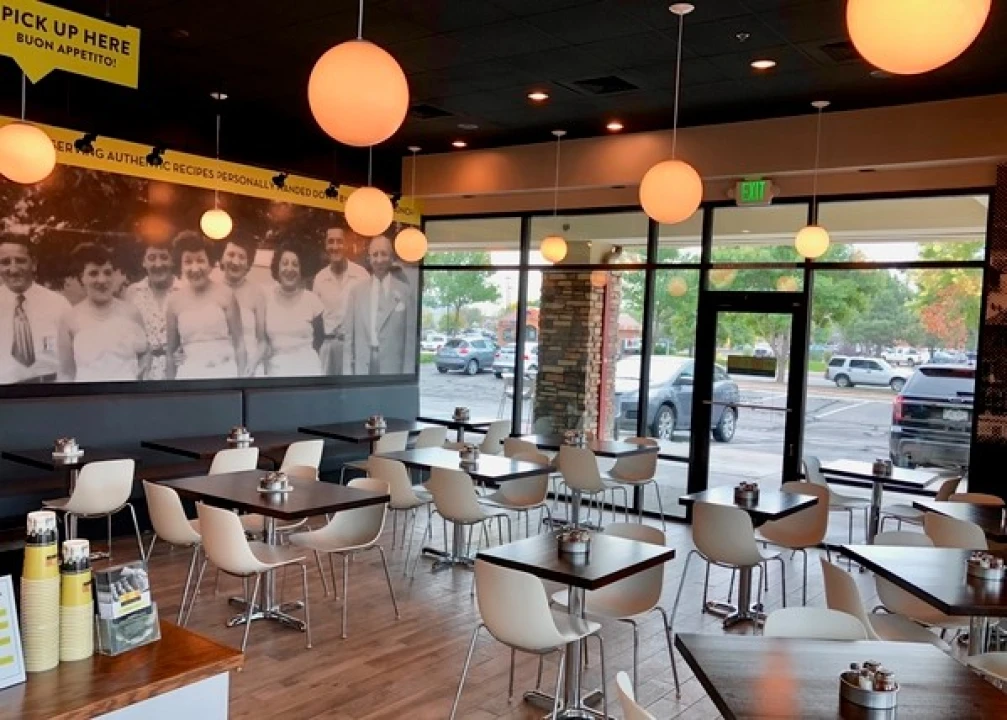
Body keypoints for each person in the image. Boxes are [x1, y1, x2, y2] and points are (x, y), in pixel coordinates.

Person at [57, 243, 149, 382]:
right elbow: (66, 373)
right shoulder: (69, 319)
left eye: (107, 272)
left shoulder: (131, 313)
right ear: (81, 278)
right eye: (93, 273)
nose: (102, 280)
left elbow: (145, 355)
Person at [165, 231, 247, 379]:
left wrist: (240, 381)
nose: (195, 268)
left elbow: (240, 344)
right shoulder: (174, 302)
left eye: (200, 260)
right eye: (188, 262)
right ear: (180, 266)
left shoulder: (226, 295)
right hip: (189, 375)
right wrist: (171, 388)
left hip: (224, 372)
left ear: (210, 264)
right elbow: (171, 353)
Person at [0, 237, 72, 383]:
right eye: (5, 262)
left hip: (49, 389)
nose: (13, 270)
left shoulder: (58, 304)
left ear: (33, 264)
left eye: (20, 261)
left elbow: (74, 358)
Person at [347, 234, 416, 375]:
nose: (379, 260)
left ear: (391, 258)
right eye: (375, 255)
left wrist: (407, 375)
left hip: (392, 368)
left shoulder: (405, 292)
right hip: (363, 367)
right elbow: (349, 339)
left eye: (384, 254)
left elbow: (410, 341)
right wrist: (348, 373)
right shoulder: (356, 292)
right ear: (369, 258)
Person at [312, 220, 367, 375]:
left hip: (354, 348)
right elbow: (314, 321)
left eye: (339, 241)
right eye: (331, 242)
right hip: (328, 347)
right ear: (325, 245)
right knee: (326, 388)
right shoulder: (320, 279)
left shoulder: (361, 275)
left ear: (346, 245)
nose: (335, 247)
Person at [124, 237, 182, 380]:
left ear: (172, 261)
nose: (158, 264)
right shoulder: (133, 293)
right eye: (151, 258)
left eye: (164, 257)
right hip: (144, 372)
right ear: (143, 262)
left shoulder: (184, 290)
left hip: (179, 370)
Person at [264, 244, 324, 377]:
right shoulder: (266, 299)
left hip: (308, 371)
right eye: (284, 263)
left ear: (301, 269)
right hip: (276, 372)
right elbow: (262, 340)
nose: (289, 269)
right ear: (277, 268)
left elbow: (319, 338)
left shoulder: (312, 301)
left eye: (295, 264)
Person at [218, 235, 266, 375]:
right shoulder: (212, 290)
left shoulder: (257, 293)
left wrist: (253, 364)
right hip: (219, 364)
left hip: (250, 366)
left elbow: (262, 342)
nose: (236, 261)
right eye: (231, 254)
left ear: (248, 263)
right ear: (222, 258)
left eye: (242, 257)